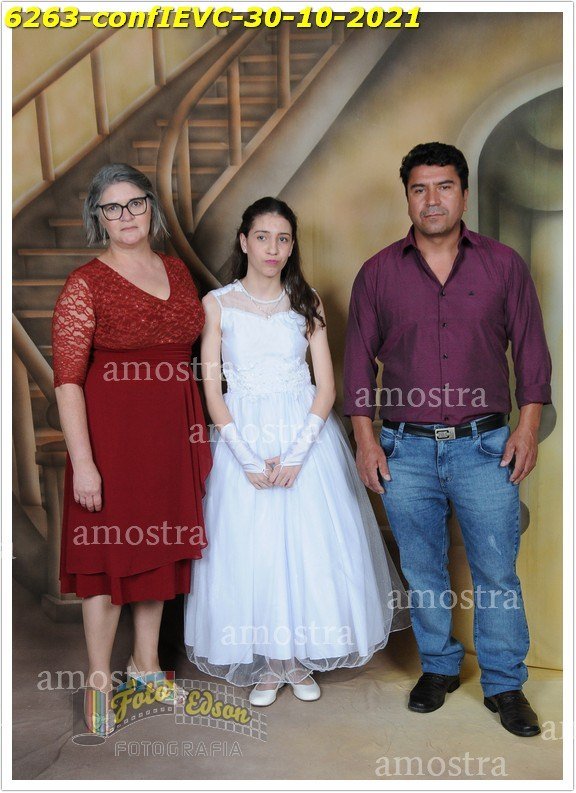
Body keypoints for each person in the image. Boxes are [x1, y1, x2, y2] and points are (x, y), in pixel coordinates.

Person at [344, 142, 552, 737]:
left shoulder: (504, 266)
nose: (431, 200)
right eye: (419, 188)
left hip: (485, 448)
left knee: (496, 571)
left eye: (443, 187)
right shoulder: (377, 273)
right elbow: (357, 365)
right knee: (423, 568)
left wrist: (527, 429)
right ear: (407, 197)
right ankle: (437, 668)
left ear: (463, 194)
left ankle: (504, 683)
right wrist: (366, 442)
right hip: (404, 450)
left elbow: (531, 354)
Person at [184, 197, 409, 706]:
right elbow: (213, 390)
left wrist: (297, 454)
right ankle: (270, 662)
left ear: (292, 247)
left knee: (311, 547)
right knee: (253, 548)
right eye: (263, 237)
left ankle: (299, 658)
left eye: (283, 239)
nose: (273, 248)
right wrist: (245, 457)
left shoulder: (307, 301)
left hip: (304, 438)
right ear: (244, 242)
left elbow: (326, 387)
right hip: (242, 437)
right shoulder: (217, 304)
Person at [52, 163, 212, 735]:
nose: (126, 215)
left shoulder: (177, 270)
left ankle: (146, 665)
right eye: (113, 207)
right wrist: (84, 463)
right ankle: (99, 682)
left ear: (151, 207)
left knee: (158, 553)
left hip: (170, 435)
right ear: (98, 216)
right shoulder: (84, 283)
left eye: (135, 203)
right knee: (106, 561)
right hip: (113, 441)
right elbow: (67, 381)